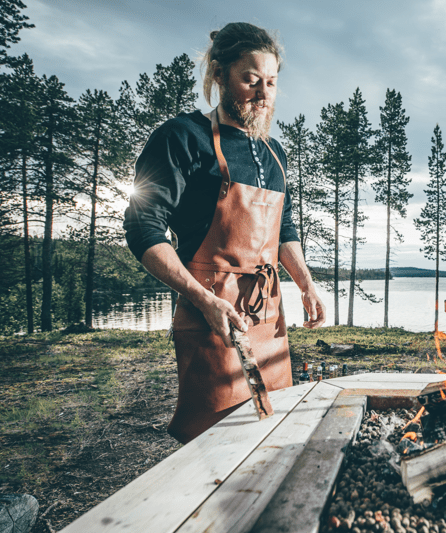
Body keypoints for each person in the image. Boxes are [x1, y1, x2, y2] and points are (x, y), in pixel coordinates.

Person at [123, 22, 326, 444]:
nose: (263, 93)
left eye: (271, 82)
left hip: (269, 317)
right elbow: (143, 227)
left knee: (272, 433)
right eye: (251, 80)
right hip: (212, 315)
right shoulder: (183, 138)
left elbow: (282, 227)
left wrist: (305, 284)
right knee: (214, 444)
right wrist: (202, 298)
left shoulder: (274, 152)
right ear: (219, 75)